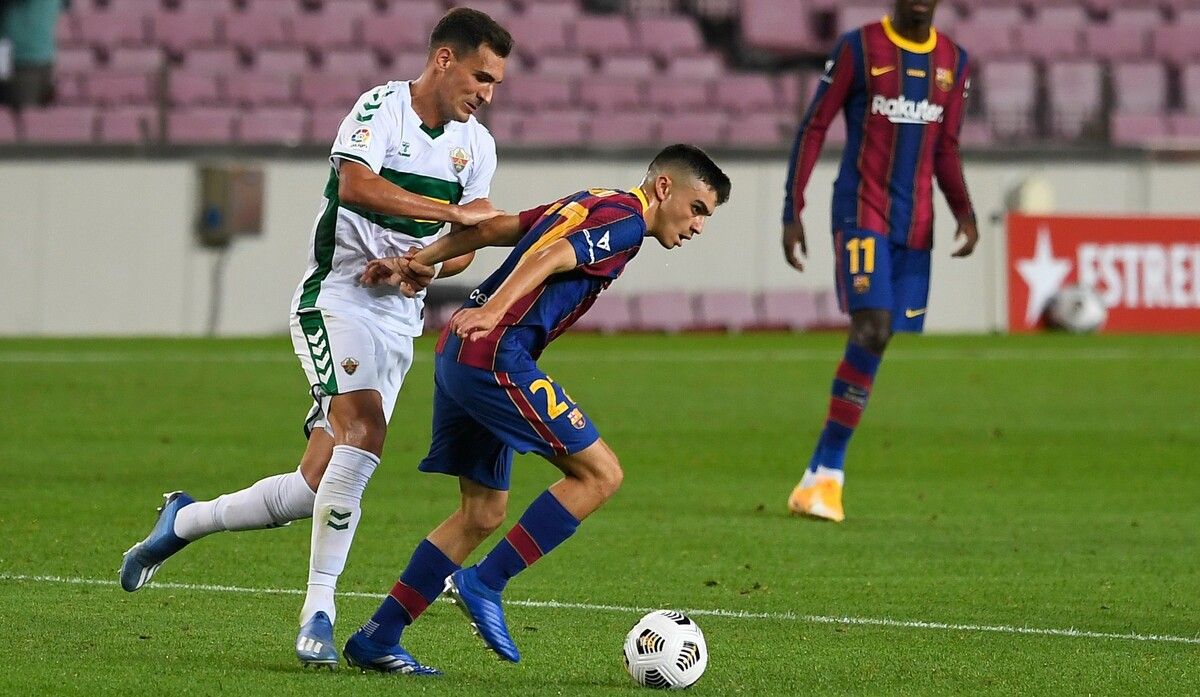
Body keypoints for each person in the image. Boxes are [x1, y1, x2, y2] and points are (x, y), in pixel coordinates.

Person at [118, 8, 513, 669]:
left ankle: (181, 520)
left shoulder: (479, 146)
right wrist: (448, 212)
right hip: (334, 300)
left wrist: (423, 264)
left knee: (315, 484)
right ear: (443, 60)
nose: (487, 93)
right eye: (481, 76)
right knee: (365, 432)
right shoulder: (381, 110)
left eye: (497, 83)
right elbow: (357, 185)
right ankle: (318, 613)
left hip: (396, 318)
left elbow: (468, 248)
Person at [334, 144, 731, 674]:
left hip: (460, 352)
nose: (699, 225)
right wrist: (496, 309)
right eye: (698, 208)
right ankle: (484, 582)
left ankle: (378, 636)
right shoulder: (628, 222)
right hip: (495, 354)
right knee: (600, 475)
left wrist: (418, 261)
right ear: (664, 187)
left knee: (482, 512)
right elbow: (550, 257)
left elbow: (499, 227)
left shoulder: (595, 199)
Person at [781, 0, 977, 522]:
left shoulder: (954, 62)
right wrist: (792, 206)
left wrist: (964, 210)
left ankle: (816, 474)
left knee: (881, 334)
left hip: (915, 224)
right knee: (872, 325)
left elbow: (947, 148)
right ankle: (832, 476)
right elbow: (814, 126)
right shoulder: (860, 47)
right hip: (861, 210)